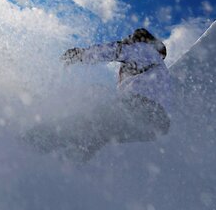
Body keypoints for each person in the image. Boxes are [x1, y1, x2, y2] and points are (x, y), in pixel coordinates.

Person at [24, 28, 171, 162]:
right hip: (156, 124)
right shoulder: (159, 70)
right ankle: (71, 165)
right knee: (97, 135)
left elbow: (115, 50)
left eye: (130, 38)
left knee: (83, 123)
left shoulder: (144, 50)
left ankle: (31, 142)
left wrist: (80, 54)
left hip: (138, 107)